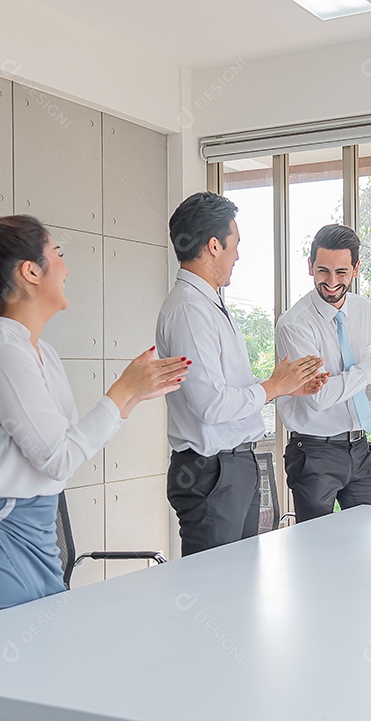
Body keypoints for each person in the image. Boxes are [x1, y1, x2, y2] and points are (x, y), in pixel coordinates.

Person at [0, 211, 188, 626]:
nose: (66, 267)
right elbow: (58, 458)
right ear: (31, 271)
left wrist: (132, 396)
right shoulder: (1, 354)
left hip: (34, 534)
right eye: (58, 253)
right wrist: (122, 392)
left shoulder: (40, 353)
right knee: (7, 681)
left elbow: (66, 444)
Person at [157, 192, 324, 556]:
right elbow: (210, 405)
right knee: (216, 596)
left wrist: (282, 387)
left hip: (233, 468)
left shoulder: (207, 303)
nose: (237, 255)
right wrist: (271, 386)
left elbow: (223, 392)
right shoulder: (189, 310)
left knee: (237, 593)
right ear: (213, 245)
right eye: (235, 245)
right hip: (214, 473)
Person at [275, 224, 371, 522]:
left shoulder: (365, 310)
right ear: (310, 267)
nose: (332, 282)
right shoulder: (295, 324)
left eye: (341, 272)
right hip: (314, 453)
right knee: (318, 551)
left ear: (356, 269)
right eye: (323, 271)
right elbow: (319, 397)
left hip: (360, 449)